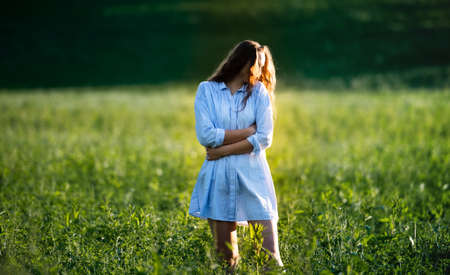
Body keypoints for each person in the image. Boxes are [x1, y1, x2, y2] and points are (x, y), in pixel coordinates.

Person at [188, 40, 283, 271]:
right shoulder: (207, 91)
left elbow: (264, 138)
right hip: (219, 178)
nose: (261, 72)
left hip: (253, 178)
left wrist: (223, 150)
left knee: (271, 259)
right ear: (244, 63)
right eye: (258, 65)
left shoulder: (259, 92)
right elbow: (206, 135)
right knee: (227, 260)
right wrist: (248, 132)